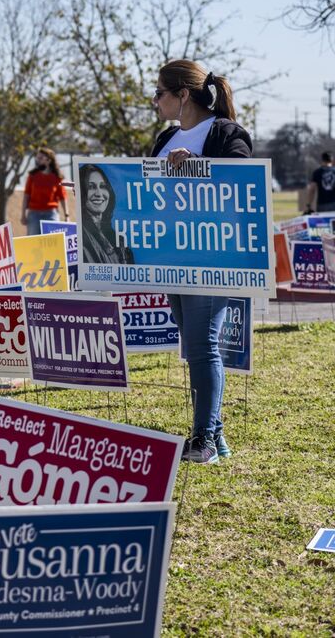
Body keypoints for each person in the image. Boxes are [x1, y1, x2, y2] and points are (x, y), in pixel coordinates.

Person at [151, 59, 251, 464]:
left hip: (214, 258)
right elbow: (146, 188)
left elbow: (243, 182)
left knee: (204, 345)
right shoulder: (163, 138)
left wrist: (193, 167)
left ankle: (203, 439)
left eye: (160, 93)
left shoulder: (226, 133)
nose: (155, 101)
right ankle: (218, 436)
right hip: (174, 256)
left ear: (183, 95)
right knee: (194, 348)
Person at [79, 164, 134, 265]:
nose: (99, 193)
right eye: (91, 187)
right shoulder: (83, 239)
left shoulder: (117, 238)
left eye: (103, 186)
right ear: (81, 191)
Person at [21, 147, 69, 234]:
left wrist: (66, 215)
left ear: (48, 160)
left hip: (51, 214)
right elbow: (26, 195)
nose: (38, 160)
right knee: (33, 242)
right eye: (37, 158)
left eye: (41, 158)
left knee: (52, 242)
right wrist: (23, 214)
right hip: (34, 214)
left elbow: (62, 197)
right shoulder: (32, 176)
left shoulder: (57, 177)